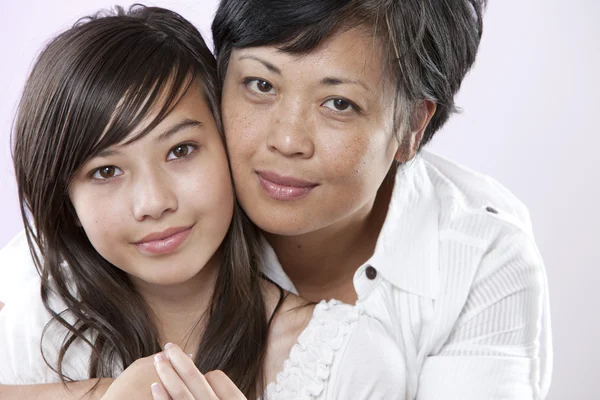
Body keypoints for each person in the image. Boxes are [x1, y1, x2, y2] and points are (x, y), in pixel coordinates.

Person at [0, 0, 552, 399]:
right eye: (261, 85)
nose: (286, 141)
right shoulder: (56, 288)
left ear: (411, 125)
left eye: (338, 103)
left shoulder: (478, 262)